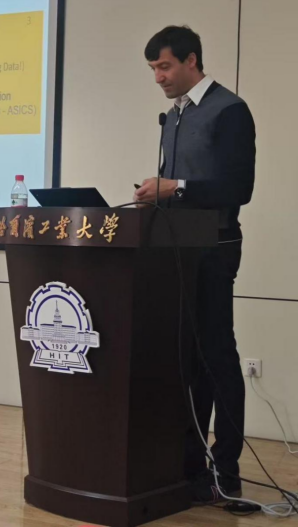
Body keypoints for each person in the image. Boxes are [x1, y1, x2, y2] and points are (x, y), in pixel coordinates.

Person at [134, 25, 256, 504]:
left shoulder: (229, 110)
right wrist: (156, 196)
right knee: (186, 360)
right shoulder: (174, 117)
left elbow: (238, 188)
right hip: (175, 251)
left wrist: (176, 188)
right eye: (153, 70)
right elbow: (177, 189)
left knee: (216, 356)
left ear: (191, 60)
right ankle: (188, 467)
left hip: (215, 248)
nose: (158, 78)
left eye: (164, 66)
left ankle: (226, 470)